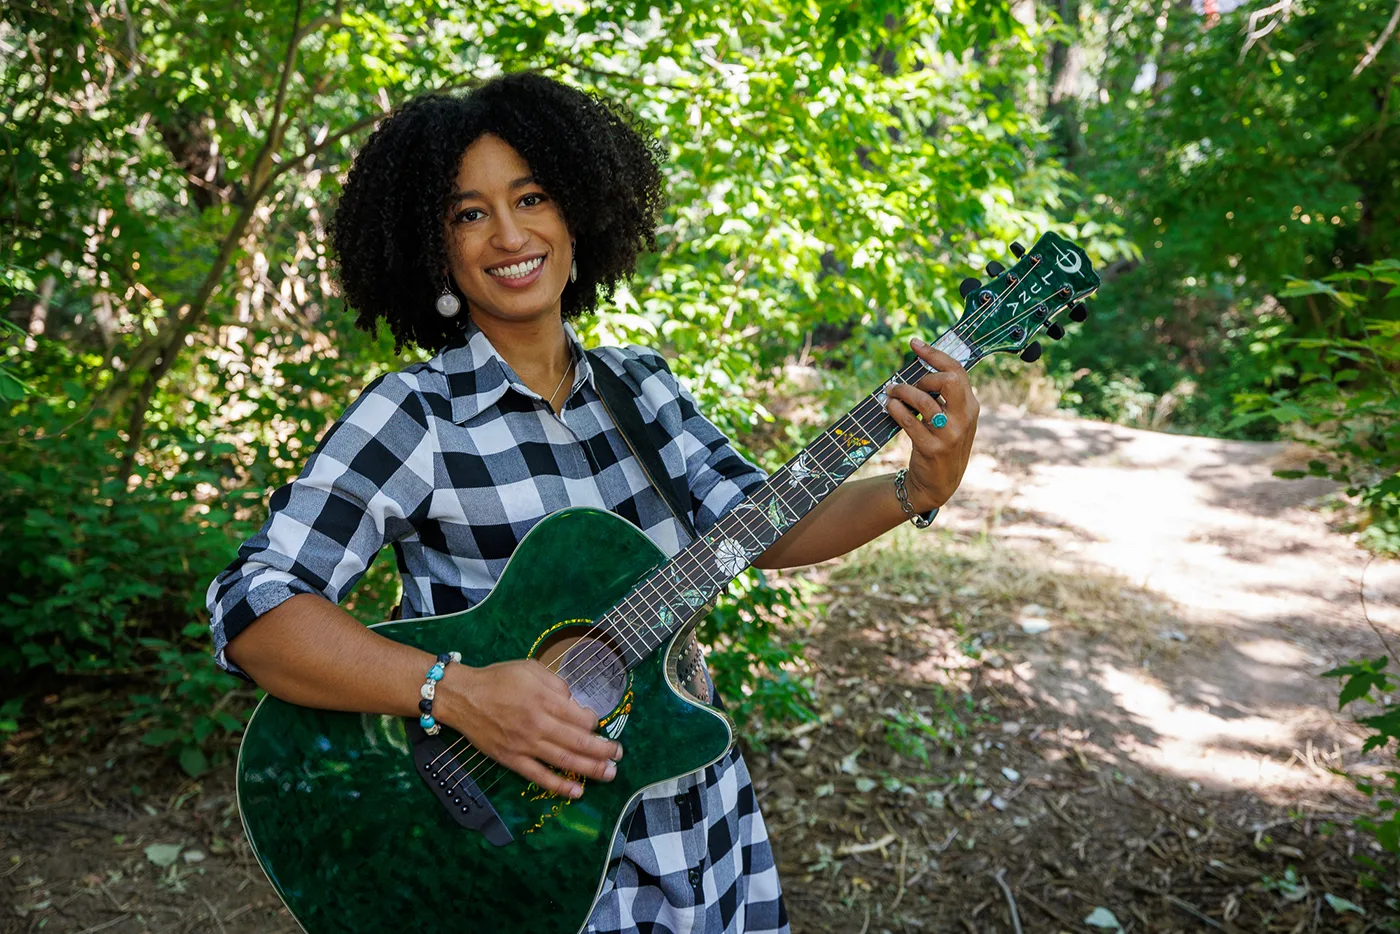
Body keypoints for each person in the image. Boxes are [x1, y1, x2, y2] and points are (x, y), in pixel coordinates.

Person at [206, 71, 979, 934]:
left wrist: (916, 488)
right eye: (469, 213)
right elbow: (254, 605)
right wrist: (453, 691)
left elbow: (754, 528)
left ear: (577, 212)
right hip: (523, 856)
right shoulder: (414, 415)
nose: (508, 234)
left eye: (531, 197)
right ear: (436, 252)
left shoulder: (641, 386)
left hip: (691, 814)